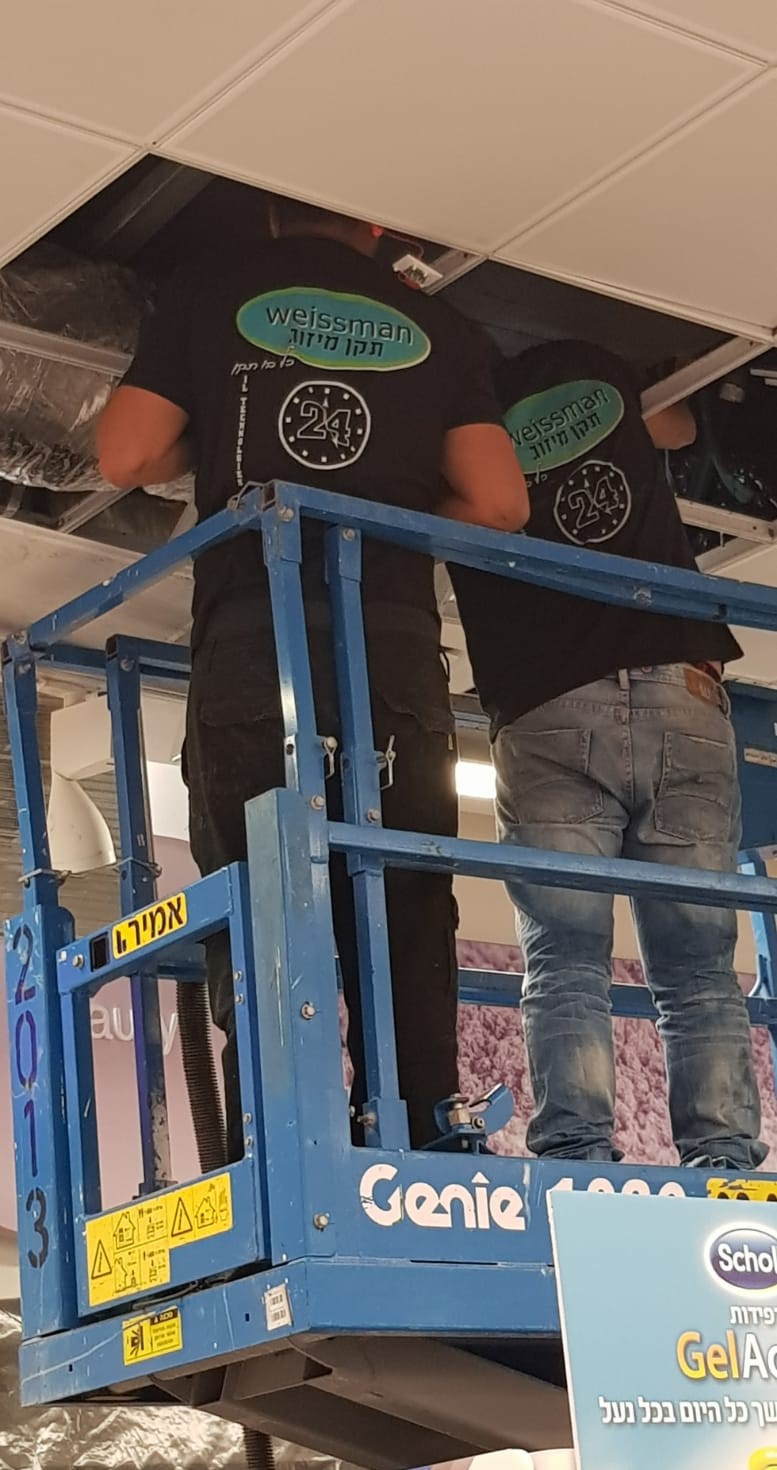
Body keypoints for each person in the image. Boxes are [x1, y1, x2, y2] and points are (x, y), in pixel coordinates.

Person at [97, 197, 528, 1157]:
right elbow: (501, 503)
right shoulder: (438, 324)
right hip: (393, 650)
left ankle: (276, 1145)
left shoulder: (208, 291)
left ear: (269, 214)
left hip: (255, 639)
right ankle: (417, 1147)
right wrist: (385, 511)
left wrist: (215, 442)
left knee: (259, 899)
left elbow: (124, 453)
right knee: (403, 902)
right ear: (380, 226)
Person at [450, 338, 766, 1171]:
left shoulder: (446, 418)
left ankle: (578, 1155)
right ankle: (723, 1159)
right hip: (680, 685)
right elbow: (676, 425)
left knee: (564, 958)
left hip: (547, 698)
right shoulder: (593, 361)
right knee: (698, 964)